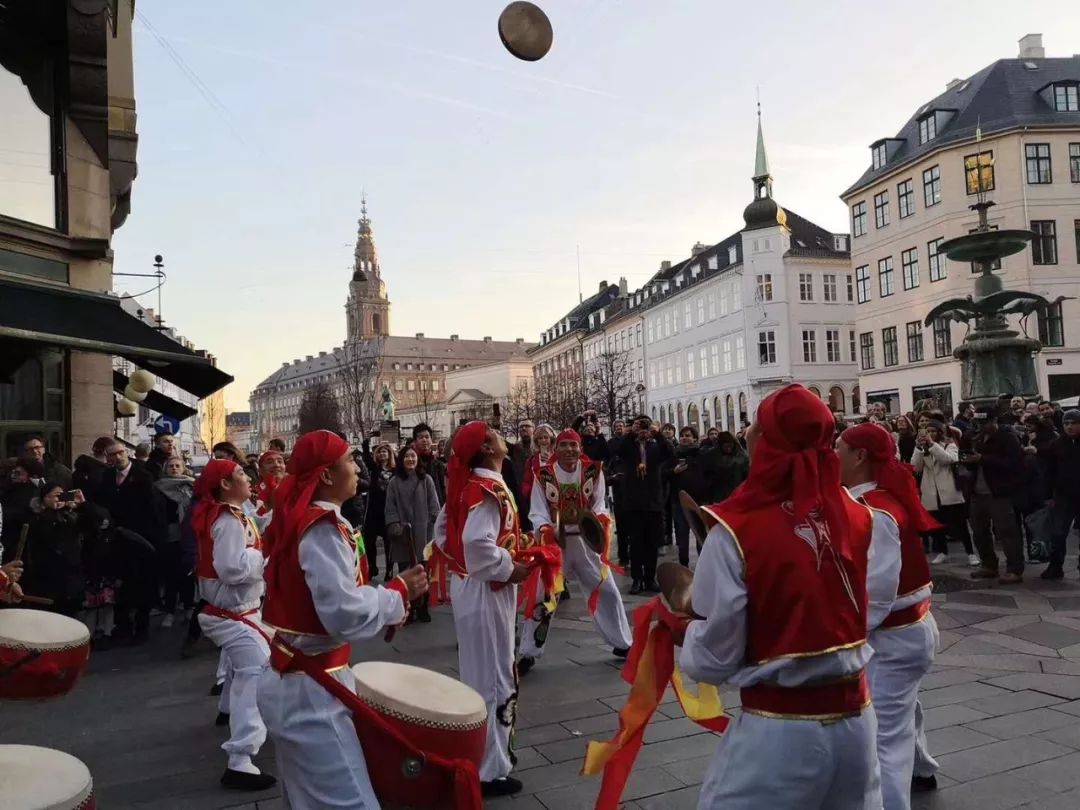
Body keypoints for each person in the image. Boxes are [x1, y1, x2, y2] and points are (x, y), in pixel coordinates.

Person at [679, 385, 881, 809]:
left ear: (766, 441)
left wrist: (687, 633)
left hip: (779, 731)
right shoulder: (859, 513)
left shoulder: (735, 529)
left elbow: (714, 660)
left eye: (756, 424)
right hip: (858, 723)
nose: (748, 433)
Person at [258, 431, 425, 807]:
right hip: (312, 693)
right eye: (350, 460)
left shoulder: (309, 521)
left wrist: (388, 604)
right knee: (350, 801)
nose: (357, 467)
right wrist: (396, 592)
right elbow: (342, 613)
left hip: (303, 680)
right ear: (327, 475)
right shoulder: (321, 529)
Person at [839, 423, 939, 810]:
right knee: (901, 706)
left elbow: (877, 597)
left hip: (895, 637)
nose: (834, 456)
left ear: (860, 457)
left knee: (883, 734)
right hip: (907, 632)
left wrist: (843, 633)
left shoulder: (873, 511)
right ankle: (923, 767)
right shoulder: (873, 500)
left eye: (839, 449)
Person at [431, 421, 533, 797]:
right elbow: (476, 544)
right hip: (487, 589)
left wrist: (465, 564)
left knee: (481, 673)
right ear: (489, 448)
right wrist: (510, 567)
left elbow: (443, 533)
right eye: (494, 432)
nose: (501, 435)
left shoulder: (465, 486)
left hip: (471, 586)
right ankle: (489, 769)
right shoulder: (487, 488)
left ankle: (486, 757)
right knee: (494, 677)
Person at [191, 459, 276, 791]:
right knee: (256, 669)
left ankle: (227, 708)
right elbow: (232, 569)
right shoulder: (226, 520)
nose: (248, 478)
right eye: (241, 474)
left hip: (239, 610)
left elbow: (256, 525)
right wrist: (267, 555)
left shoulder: (234, 514)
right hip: (230, 612)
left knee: (244, 666)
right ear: (225, 484)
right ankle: (240, 757)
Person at [521, 429, 631, 674]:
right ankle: (529, 651)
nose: (569, 450)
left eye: (574, 445)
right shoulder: (543, 475)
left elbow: (601, 503)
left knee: (608, 591)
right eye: (564, 445)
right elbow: (537, 511)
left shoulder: (594, 471)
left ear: (580, 448)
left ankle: (623, 643)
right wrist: (546, 528)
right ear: (556, 448)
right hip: (555, 545)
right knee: (543, 596)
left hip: (585, 543)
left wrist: (599, 521)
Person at [100, 442, 165, 644]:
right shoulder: (108, 477)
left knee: (143, 584)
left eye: (120, 453)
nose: (117, 457)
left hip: (141, 539)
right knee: (121, 583)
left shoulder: (143, 476)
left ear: (127, 454)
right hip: (118, 540)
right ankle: (123, 627)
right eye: (113, 454)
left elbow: (153, 509)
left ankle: (141, 627)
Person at [966, 412, 1025, 584]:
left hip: (999, 493)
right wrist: (967, 460)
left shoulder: (1007, 438)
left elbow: (1015, 464)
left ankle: (1015, 569)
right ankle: (989, 564)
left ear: (994, 420)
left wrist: (982, 459)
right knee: (979, 531)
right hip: (977, 491)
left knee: (1007, 532)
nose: (981, 426)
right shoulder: (978, 438)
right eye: (978, 422)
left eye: (984, 422)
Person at [618, 417, 674, 594]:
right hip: (634, 503)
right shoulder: (630, 447)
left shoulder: (655, 446)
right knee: (635, 544)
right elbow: (618, 451)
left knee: (652, 544)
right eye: (639, 427)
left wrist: (658, 434)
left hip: (653, 502)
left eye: (645, 427)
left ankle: (650, 578)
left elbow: (670, 454)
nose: (642, 430)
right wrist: (629, 434)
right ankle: (637, 579)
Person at [385, 446, 440, 622]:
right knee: (406, 573)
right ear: (401, 460)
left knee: (424, 572)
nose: (410, 459)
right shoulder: (394, 483)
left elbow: (434, 505)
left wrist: (432, 521)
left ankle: (423, 607)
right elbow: (390, 508)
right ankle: (407, 610)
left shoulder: (426, 480)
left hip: (424, 534)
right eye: (407, 456)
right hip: (403, 535)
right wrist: (395, 526)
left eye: (413, 456)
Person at [912, 422, 977, 566]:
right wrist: (918, 448)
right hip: (931, 492)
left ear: (940, 433)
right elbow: (915, 466)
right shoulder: (923, 449)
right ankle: (942, 552)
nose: (930, 434)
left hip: (949, 491)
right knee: (937, 525)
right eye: (927, 431)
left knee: (960, 525)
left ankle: (970, 553)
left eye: (933, 431)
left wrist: (932, 445)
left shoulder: (950, 445)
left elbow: (948, 459)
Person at [23, 483, 88, 617]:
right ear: (44, 498)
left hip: (71, 575)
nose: (59, 499)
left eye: (62, 495)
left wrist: (83, 505)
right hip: (48, 578)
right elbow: (46, 535)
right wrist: (54, 511)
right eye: (56, 496)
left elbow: (96, 522)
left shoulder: (71, 516)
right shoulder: (38, 518)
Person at [155, 456, 196, 626]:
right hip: (169, 534)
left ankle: (188, 607)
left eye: (177, 465)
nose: (174, 468)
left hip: (189, 534)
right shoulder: (158, 487)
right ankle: (169, 611)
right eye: (170, 466)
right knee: (171, 574)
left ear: (183, 468)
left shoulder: (191, 485)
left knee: (188, 572)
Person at [1040, 409, 1080, 580]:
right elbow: (1048, 472)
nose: (1069, 427)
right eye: (1066, 424)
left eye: (1073, 423)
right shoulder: (1057, 445)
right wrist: (1048, 495)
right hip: (1064, 495)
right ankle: (1056, 566)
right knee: (1058, 533)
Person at [667, 426, 708, 566]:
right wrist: (674, 471)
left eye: (688, 435)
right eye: (682, 435)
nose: (684, 438)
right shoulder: (674, 454)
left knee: (700, 536)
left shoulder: (701, 454)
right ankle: (683, 566)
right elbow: (664, 473)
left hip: (698, 501)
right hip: (679, 501)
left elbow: (709, 474)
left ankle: (703, 567)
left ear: (694, 438)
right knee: (682, 538)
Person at [362, 441, 396, 581]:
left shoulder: (395, 470)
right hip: (373, 511)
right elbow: (367, 459)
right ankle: (373, 567)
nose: (382, 454)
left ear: (390, 454)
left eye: (385, 452)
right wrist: (365, 444)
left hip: (388, 511)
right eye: (380, 452)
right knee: (369, 542)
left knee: (389, 543)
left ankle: (389, 569)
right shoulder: (375, 469)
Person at [411, 423, 447, 503]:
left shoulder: (438, 465)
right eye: (420, 437)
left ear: (431, 439)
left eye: (427, 437)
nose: (424, 440)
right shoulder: (410, 463)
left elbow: (442, 489)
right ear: (415, 441)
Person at [253, 450, 286, 517]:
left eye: (280, 461)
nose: (276, 465)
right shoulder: (252, 493)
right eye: (270, 462)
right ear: (260, 471)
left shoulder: (294, 490)